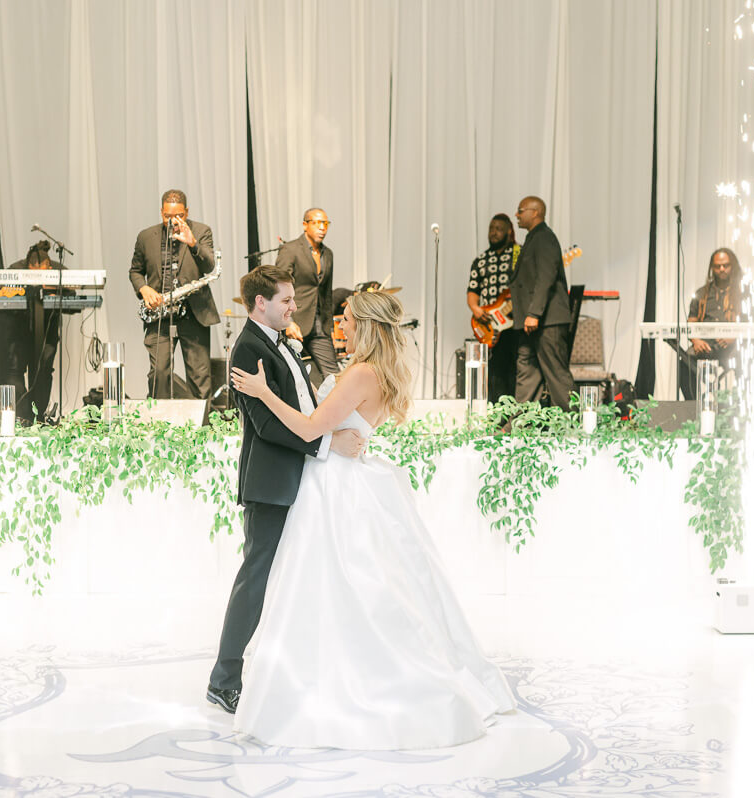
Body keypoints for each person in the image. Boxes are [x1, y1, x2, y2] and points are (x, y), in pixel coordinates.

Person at [226, 290, 516, 750]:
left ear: (365, 324)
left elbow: (306, 428)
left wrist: (262, 393)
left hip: (334, 488)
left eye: (346, 319)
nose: (339, 326)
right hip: (347, 478)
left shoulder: (360, 373)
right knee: (350, 589)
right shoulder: (375, 372)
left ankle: (335, 681)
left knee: (331, 587)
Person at [206, 265, 367, 715]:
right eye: (286, 301)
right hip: (270, 483)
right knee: (255, 579)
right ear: (261, 303)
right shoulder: (247, 350)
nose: (295, 307)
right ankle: (223, 679)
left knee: (289, 579)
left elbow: (303, 404)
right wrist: (327, 441)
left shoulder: (278, 340)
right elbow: (266, 425)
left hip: (298, 479)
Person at [129, 189, 218, 399]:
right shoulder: (145, 237)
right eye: (167, 216)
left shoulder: (202, 231)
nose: (172, 221)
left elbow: (210, 266)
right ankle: (157, 424)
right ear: (161, 212)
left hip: (194, 313)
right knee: (159, 373)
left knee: (199, 377)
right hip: (159, 313)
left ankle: (201, 428)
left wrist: (193, 243)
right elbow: (135, 271)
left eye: (178, 216)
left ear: (186, 212)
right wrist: (144, 288)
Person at [0, 240, 67, 423]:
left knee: (44, 371)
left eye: (43, 275)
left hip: (47, 330)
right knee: (14, 371)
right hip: (18, 330)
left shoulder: (59, 270)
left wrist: (53, 290)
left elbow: (71, 293)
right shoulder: (14, 270)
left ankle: (39, 417)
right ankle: (22, 416)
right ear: (28, 267)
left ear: (49, 268)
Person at [511, 196, 573, 410]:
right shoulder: (533, 238)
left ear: (535, 212)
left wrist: (534, 313)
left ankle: (573, 424)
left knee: (556, 374)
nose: (516, 215)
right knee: (526, 371)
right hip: (532, 321)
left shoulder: (545, 238)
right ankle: (521, 423)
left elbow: (546, 277)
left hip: (547, 320)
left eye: (520, 210)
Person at [272, 208, 339, 387]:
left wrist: (329, 327)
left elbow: (326, 294)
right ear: (305, 225)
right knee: (293, 377)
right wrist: (288, 321)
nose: (322, 228)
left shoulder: (328, 254)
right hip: (294, 320)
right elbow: (279, 287)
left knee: (334, 376)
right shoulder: (290, 249)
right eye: (317, 223)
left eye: (325, 223)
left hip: (319, 324)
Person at [466, 213, 520, 403]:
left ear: (509, 231)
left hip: (515, 323)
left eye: (498, 229)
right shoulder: (481, 260)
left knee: (515, 371)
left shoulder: (519, 254)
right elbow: (473, 289)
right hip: (489, 324)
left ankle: (516, 415)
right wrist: (475, 308)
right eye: (491, 228)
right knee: (494, 372)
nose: (493, 233)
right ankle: (495, 414)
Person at [679, 248, 746, 400]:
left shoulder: (743, 293)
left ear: (732, 266)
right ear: (712, 268)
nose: (721, 269)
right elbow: (691, 323)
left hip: (732, 347)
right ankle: (692, 407)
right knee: (684, 363)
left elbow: (753, 324)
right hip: (706, 347)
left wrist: (734, 337)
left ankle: (741, 405)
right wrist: (696, 341)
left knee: (745, 359)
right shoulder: (702, 294)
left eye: (726, 265)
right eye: (717, 266)